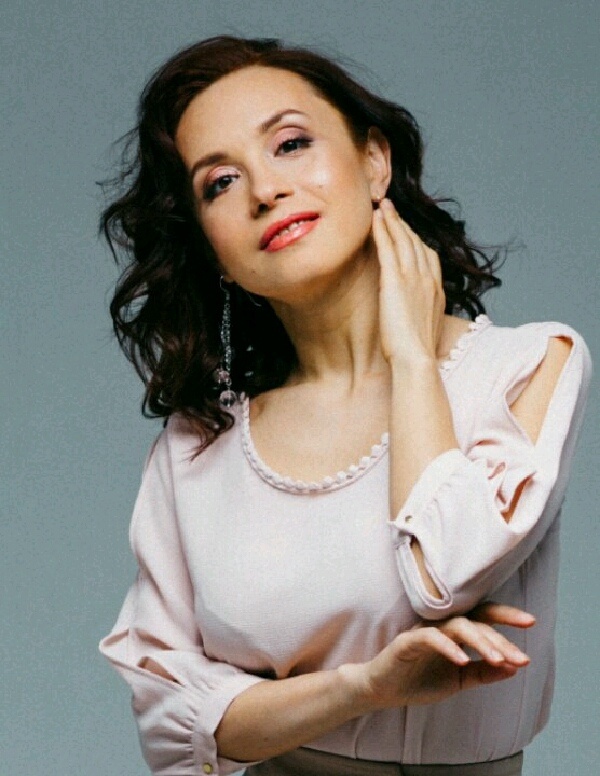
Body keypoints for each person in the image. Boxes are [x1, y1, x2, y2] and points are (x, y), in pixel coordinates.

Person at [99, 36, 592, 776]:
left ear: (374, 161)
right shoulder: (198, 446)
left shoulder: (526, 368)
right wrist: (366, 688)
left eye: (291, 144)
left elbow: (445, 576)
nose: (265, 190)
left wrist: (412, 358)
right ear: (210, 245)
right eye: (220, 182)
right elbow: (172, 714)